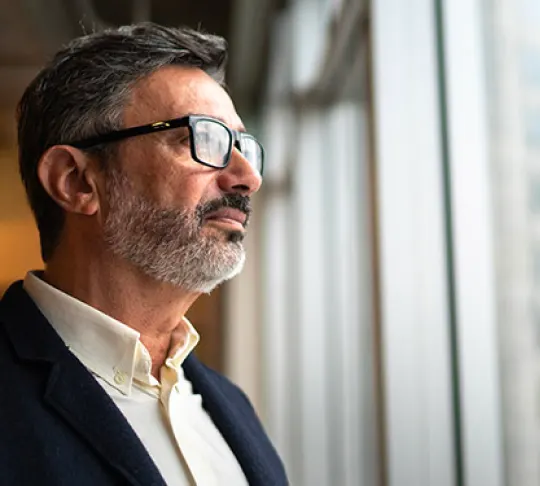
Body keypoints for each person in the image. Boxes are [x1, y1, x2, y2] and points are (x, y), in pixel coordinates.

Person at [0, 22, 288, 486]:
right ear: (76, 181)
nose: (247, 177)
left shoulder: (232, 405)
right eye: (204, 139)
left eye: (242, 146)